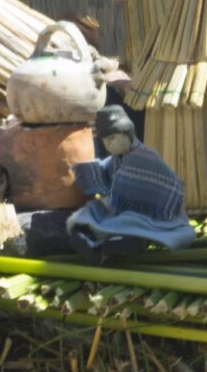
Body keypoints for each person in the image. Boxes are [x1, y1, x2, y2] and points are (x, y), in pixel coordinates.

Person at [67, 105, 195, 263]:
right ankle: (92, 243)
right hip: (120, 211)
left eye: (113, 138)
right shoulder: (115, 160)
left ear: (128, 133)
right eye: (105, 140)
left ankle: (107, 249)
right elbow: (104, 176)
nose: (109, 144)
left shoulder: (145, 158)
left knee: (131, 228)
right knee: (86, 215)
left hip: (154, 217)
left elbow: (172, 188)